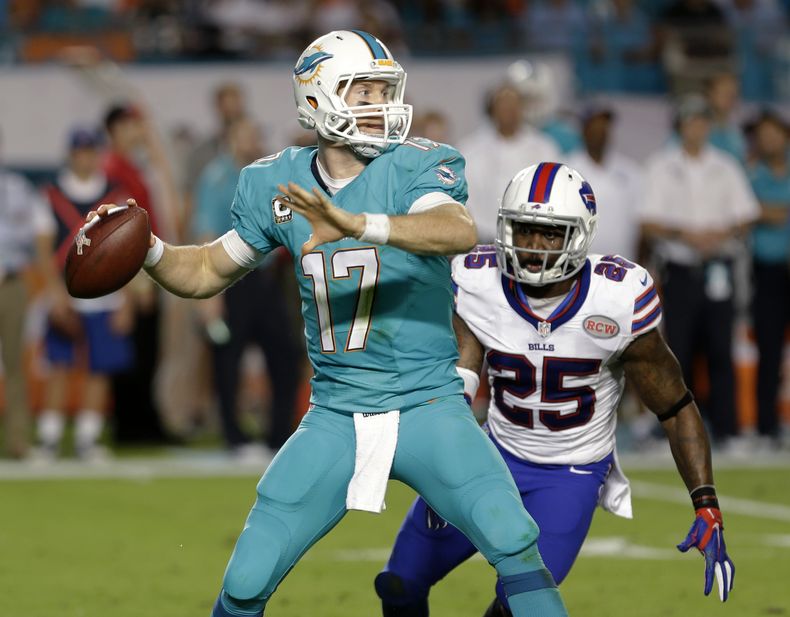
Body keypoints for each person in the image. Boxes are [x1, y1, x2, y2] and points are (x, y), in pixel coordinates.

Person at [88, 30, 569, 617]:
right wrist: (150, 251)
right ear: (316, 100)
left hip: (427, 404)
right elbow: (211, 267)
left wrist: (357, 223)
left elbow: (456, 230)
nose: (379, 105)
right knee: (246, 578)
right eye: (361, 91)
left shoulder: (421, 163)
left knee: (513, 539)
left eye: (383, 91)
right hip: (337, 413)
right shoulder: (275, 182)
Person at [375, 163, 736, 617]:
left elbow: (675, 405)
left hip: (570, 475)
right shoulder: (478, 282)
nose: (534, 247)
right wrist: (441, 462)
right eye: (525, 230)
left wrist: (706, 504)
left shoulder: (618, 300)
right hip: (491, 459)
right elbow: (458, 383)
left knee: (516, 607)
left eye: (550, 234)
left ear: (580, 236)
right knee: (400, 583)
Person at [641, 95, 759, 447]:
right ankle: (678, 430)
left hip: (718, 266)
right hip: (679, 267)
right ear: (680, 126)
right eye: (690, 121)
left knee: (720, 348)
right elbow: (648, 221)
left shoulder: (725, 166)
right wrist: (685, 234)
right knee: (679, 350)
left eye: (702, 121)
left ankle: (727, 429)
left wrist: (718, 234)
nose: (697, 128)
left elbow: (745, 215)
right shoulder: (661, 166)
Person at [193, 116, 302, 457]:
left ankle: (279, 433)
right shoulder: (217, 177)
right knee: (228, 356)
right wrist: (209, 290)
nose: (252, 141)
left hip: (267, 275)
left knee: (285, 354)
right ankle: (233, 435)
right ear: (231, 138)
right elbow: (207, 232)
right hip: (232, 275)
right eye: (245, 135)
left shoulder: (267, 175)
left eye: (254, 135)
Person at [35, 126, 134, 461]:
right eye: (80, 152)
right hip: (66, 296)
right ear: (71, 154)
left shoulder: (116, 194)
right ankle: (49, 439)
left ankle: (86, 439)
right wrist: (54, 295)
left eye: (91, 151)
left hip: (105, 296)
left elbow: (127, 249)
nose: (86, 158)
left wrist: (126, 300)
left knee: (100, 369)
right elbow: (43, 250)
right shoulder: (50, 195)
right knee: (58, 365)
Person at [0, 129, 54, 459]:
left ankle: (18, 441)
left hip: (11, 280)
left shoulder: (17, 188)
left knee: (15, 363)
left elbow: (36, 233)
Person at [459, 82, 561, 243]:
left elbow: (556, 193)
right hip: (483, 242)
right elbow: (463, 200)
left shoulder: (544, 148)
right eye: (502, 103)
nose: (508, 109)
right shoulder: (470, 150)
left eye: (514, 104)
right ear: (492, 109)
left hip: (533, 242)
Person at [744, 109, 790, 448]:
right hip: (768, 273)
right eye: (764, 134)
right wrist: (764, 211)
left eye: (775, 133)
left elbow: (763, 211)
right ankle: (766, 427)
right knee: (769, 350)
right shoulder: (749, 173)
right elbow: (746, 210)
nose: (770, 140)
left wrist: (767, 210)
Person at [566, 101, 643, 261]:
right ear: (584, 130)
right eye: (595, 126)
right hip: (577, 266)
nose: (600, 132)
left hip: (622, 268)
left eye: (604, 127)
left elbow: (640, 221)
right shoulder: (566, 170)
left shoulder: (630, 171)